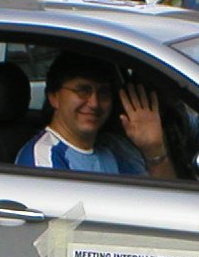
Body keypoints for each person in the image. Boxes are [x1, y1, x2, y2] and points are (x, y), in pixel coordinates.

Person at [15, 51, 174, 179]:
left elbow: (163, 204)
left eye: (103, 93)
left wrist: (154, 150)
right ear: (53, 97)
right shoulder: (44, 157)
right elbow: (63, 220)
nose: (94, 103)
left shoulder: (115, 148)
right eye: (83, 91)